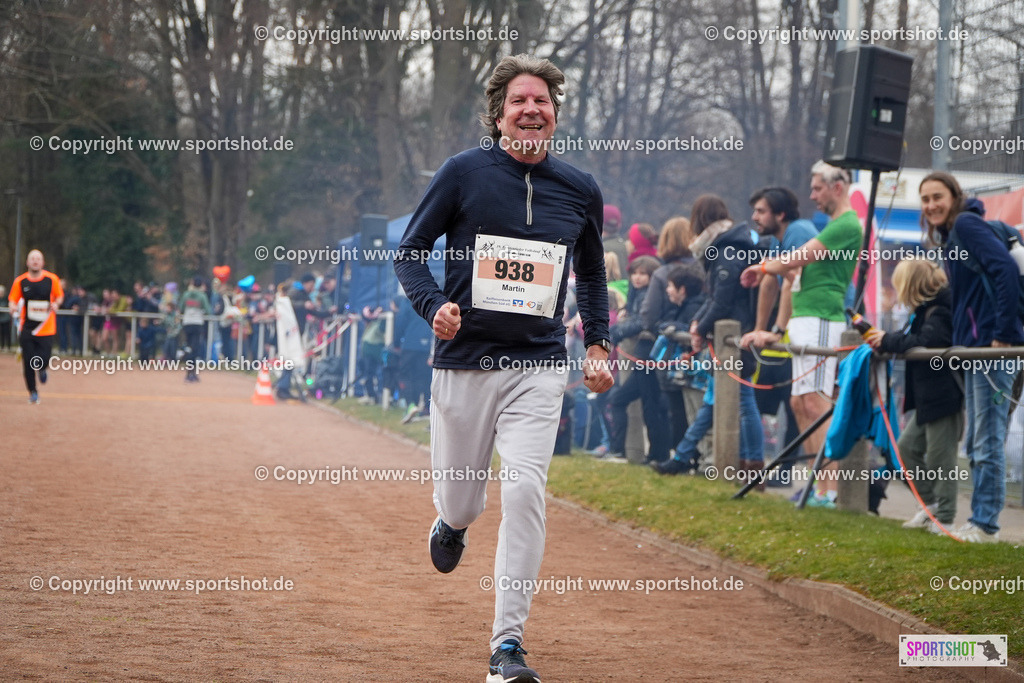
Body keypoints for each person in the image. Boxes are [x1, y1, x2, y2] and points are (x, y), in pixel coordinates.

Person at [393, 53, 613, 683]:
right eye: (519, 100)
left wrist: (597, 344)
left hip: (538, 364)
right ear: (498, 114)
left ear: (555, 114)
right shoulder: (462, 173)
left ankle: (507, 646)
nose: (531, 110)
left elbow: (591, 273)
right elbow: (410, 251)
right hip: (464, 362)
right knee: (463, 500)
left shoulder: (580, 189)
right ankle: (452, 521)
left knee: (523, 491)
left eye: (542, 100)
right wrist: (434, 306)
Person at [739, 163, 862, 507]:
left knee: (816, 404)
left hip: (823, 317)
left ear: (837, 188)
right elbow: (792, 276)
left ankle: (829, 491)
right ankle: (816, 486)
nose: (812, 195)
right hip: (806, 319)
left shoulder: (846, 224)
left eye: (818, 188)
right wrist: (777, 329)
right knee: (798, 403)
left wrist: (762, 267)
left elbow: (796, 260)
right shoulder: (833, 225)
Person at [917, 171, 1022, 542]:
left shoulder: (966, 225)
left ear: (954, 196)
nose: (931, 205)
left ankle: (986, 524)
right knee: (978, 437)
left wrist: (1004, 333)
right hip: (977, 349)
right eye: (925, 199)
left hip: (993, 348)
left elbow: (1005, 269)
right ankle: (980, 519)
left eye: (937, 197)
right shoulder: (954, 234)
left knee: (987, 437)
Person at [865, 258, 963, 533]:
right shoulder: (924, 312)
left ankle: (945, 517)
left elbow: (924, 342)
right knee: (906, 449)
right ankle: (930, 505)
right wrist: (885, 339)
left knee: (941, 459)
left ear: (910, 285)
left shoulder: (941, 310)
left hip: (944, 397)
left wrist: (887, 340)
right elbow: (910, 338)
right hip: (927, 399)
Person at [687, 195, 765, 477]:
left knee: (744, 400)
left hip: (738, 333)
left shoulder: (727, 249)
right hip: (734, 333)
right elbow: (715, 297)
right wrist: (698, 322)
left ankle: (753, 467)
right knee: (738, 399)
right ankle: (744, 464)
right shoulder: (728, 245)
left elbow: (722, 300)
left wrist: (700, 328)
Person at [9, 249, 63, 403]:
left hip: (46, 328)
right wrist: (12, 307)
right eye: (32, 258)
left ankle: (43, 369)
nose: (35, 261)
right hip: (27, 328)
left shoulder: (51, 279)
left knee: (43, 359)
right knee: (28, 361)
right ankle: (33, 392)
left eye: (38, 259)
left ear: (42, 262)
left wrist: (56, 304)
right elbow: (13, 299)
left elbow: (59, 296)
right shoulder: (20, 281)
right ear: (27, 262)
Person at [179, 277, 211, 382]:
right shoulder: (202, 296)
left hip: (187, 323)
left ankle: (188, 372)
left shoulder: (186, 294)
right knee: (195, 348)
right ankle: (192, 373)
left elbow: (181, 307)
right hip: (197, 323)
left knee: (188, 347)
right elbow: (207, 310)